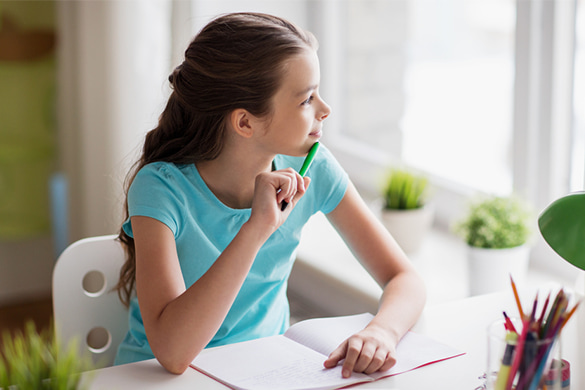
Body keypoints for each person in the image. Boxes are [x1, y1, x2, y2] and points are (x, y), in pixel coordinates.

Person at [114, 12, 426, 378]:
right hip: (158, 378)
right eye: (307, 99)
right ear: (245, 122)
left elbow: (405, 278)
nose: (325, 110)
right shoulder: (161, 189)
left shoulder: (314, 167)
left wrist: (381, 331)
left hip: (261, 371)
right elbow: (173, 353)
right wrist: (256, 229)